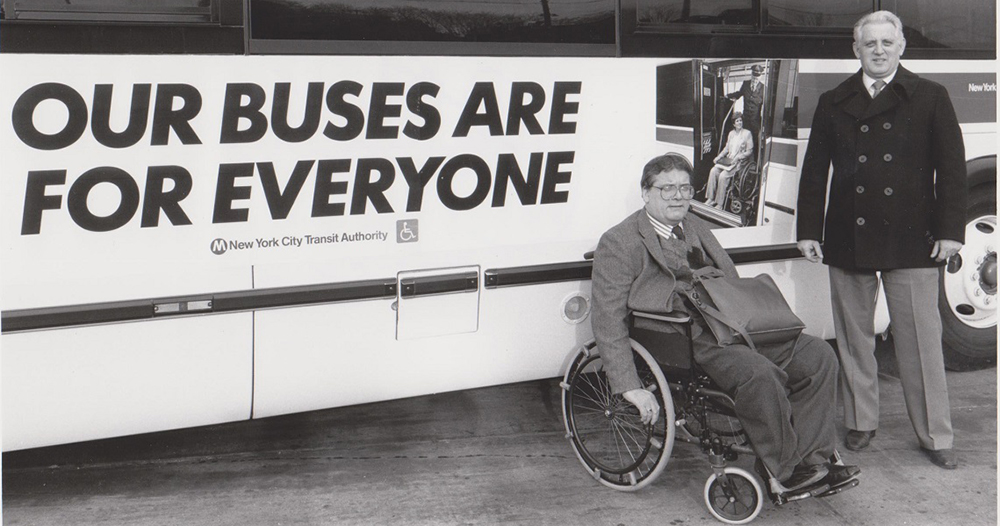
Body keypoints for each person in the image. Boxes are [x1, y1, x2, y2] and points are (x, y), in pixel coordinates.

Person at [592, 152, 860, 494]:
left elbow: (729, 277)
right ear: (646, 193)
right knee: (759, 374)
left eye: (685, 188)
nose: (678, 196)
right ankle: (784, 471)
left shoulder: (695, 225)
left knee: (818, 356)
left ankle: (814, 461)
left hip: (730, 320)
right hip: (686, 334)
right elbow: (607, 317)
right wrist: (629, 385)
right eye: (667, 188)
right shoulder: (620, 241)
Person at [796, 11, 966, 469]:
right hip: (848, 234)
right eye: (869, 43)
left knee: (921, 342)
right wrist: (808, 230)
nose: (878, 50)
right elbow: (815, 172)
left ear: (901, 47)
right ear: (856, 50)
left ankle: (936, 435)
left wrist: (951, 232)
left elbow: (952, 170)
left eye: (887, 42)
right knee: (854, 338)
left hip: (913, 237)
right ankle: (861, 421)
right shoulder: (835, 100)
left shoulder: (930, 95)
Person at [705, 112, 753, 209]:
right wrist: (718, 157)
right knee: (713, 171)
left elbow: (750, 151)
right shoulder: (731, 134)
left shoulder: (747, 133)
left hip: (739, 163)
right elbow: (726, 148)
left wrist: (738, 157)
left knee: (723, 176)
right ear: (734, 124)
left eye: (740, 120)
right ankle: (710, 198)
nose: (739, 122)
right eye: (737, 121)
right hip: (728, 161)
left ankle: (719, 204)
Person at [727, 64, 765, 150]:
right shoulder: (745, 84)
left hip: (755, 123)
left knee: (754, 143)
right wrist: (727, 95)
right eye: (754, 76)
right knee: (744, 142)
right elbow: (738, 94)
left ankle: (754, 158)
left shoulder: (764, 88)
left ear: (760, 77)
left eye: (757, 77)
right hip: (746, 121)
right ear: (751, 74)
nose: (755, 79)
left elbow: (766, 107)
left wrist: (764, 124)